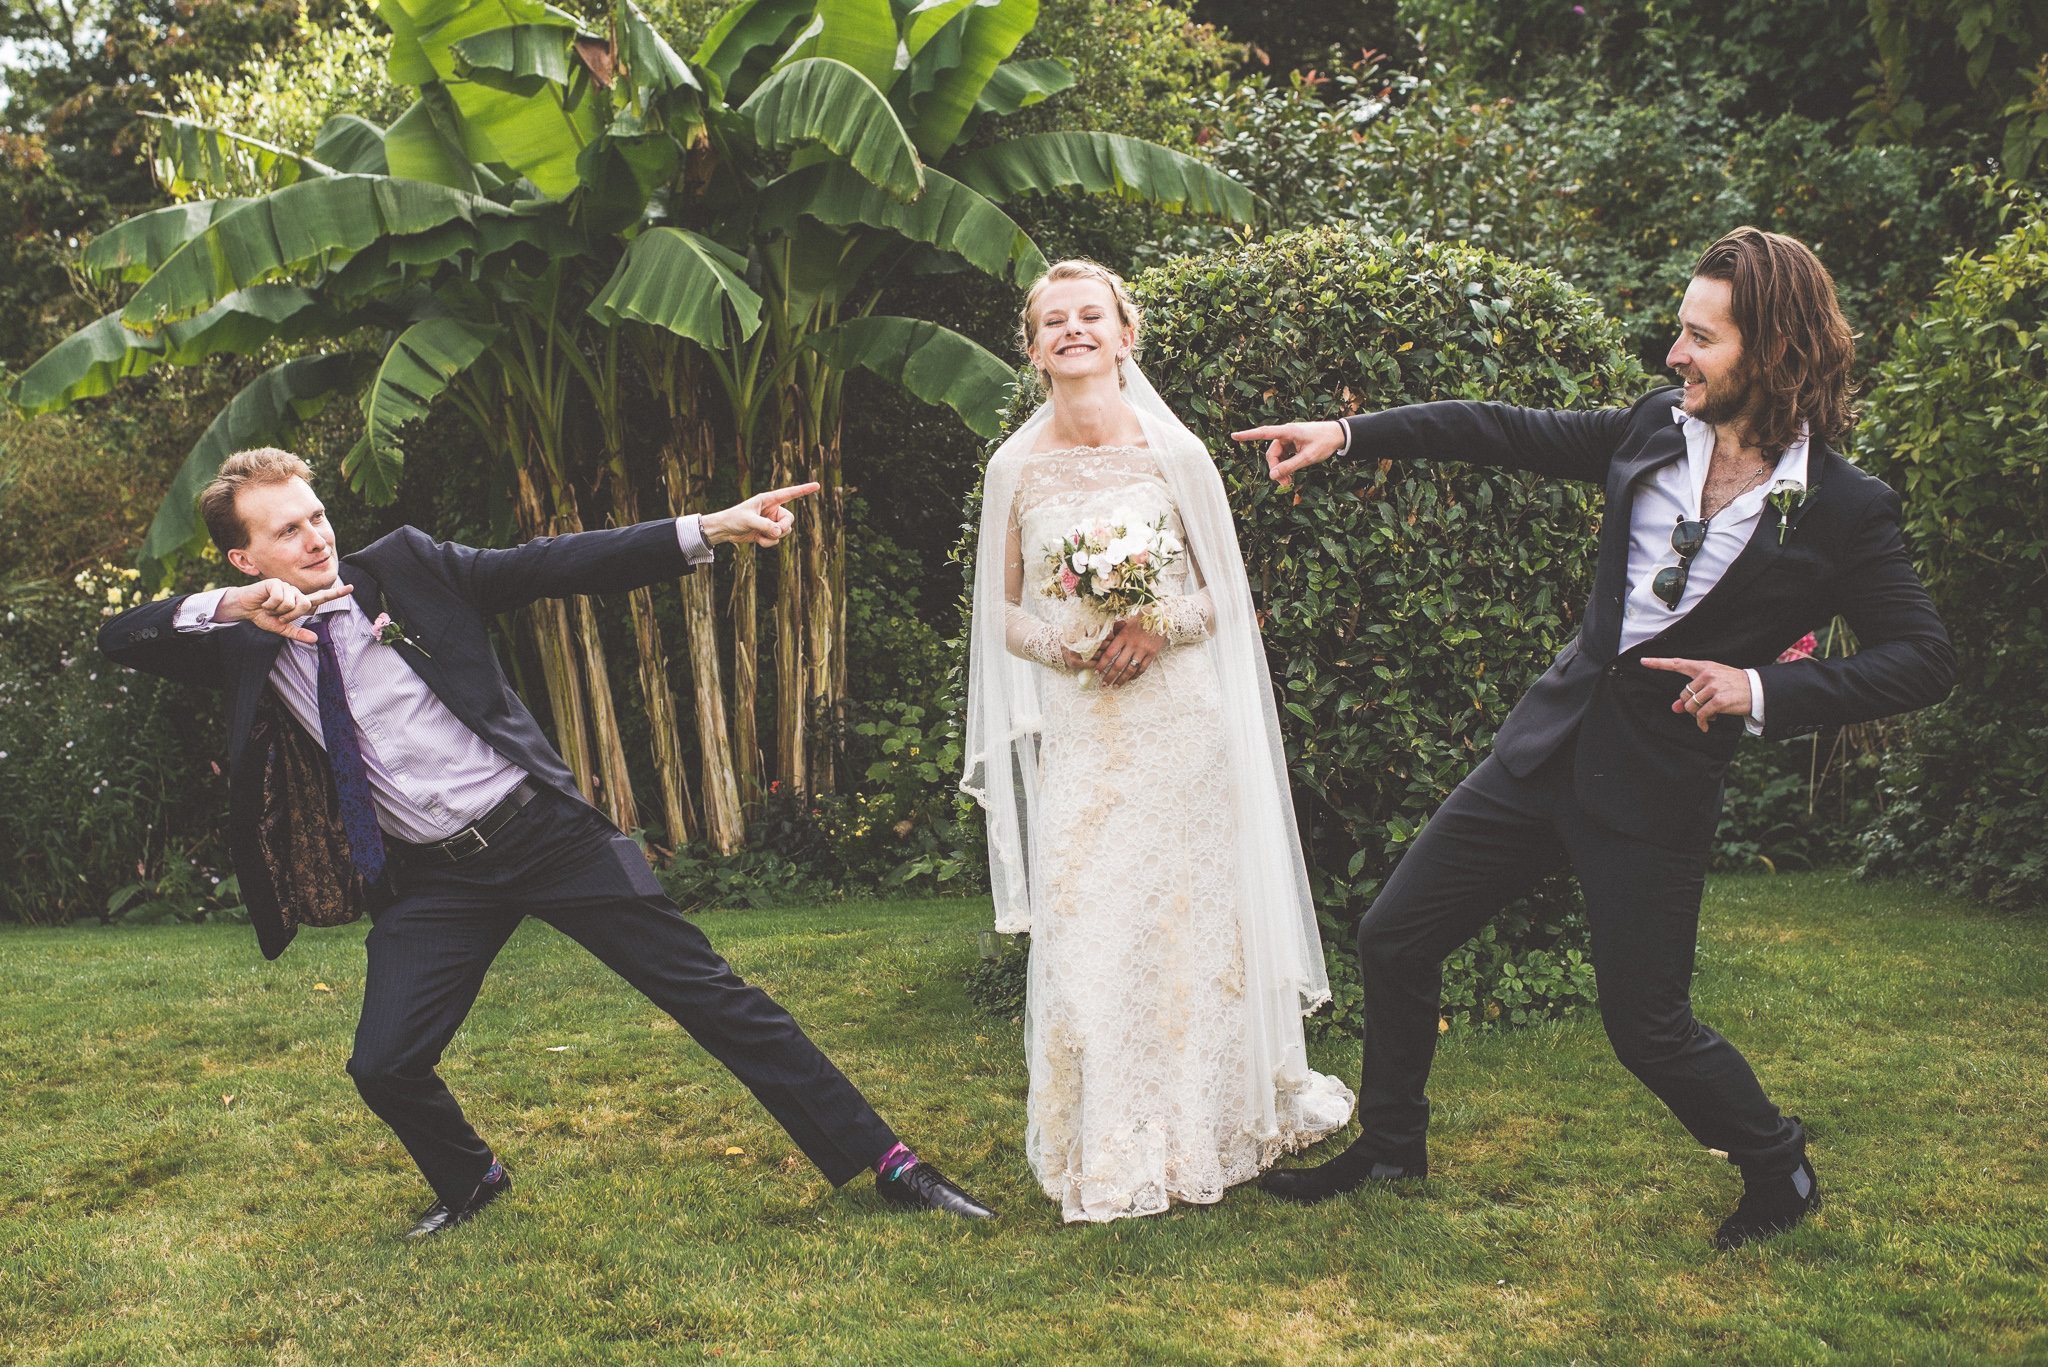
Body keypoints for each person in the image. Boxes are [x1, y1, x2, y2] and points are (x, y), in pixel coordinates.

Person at [1233, 226, 1955, 1249]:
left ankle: (1774, 1159)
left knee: (1645, 1027)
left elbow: (1921, 657)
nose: (1673, 354)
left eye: (1698, 337)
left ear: (1773, 352)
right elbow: (1503, 429)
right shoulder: (1650, 429)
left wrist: (1756, 686)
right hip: (1544, 748)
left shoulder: (1843, 510)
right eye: (1677, 330)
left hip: (1653, 788)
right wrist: (1350, 435)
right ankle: (1391, 1144)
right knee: (1393, 933)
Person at [99, 449, 993, 1236]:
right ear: (245, 554)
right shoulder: (236, 640)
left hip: (543, 832)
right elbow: (120, 637)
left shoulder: (404, 567)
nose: (315, 538)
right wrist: (233, 605)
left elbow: (555, 563)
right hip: (434, 880)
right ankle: (473, 1178)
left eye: (318, 514)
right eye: (287, 530)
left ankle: (892, 1164)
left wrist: (708, 528)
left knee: (716, 997)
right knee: (382, 1063)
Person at [962, 260, 1354, 1223]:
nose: (1073, 331)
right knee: (1092, 924)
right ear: (1034, 348)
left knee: (1187, 926)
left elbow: (1227, 596)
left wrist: (1156, 624)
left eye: (1090, 315)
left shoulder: (1175, 456)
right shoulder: (1013, 467)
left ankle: (1206, 1121)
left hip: (1182, 726)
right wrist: (1070, 645)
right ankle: (1110, 1138)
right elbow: (999, 614)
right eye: (1053, 322)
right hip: (1087, 729)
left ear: (1124, 335)